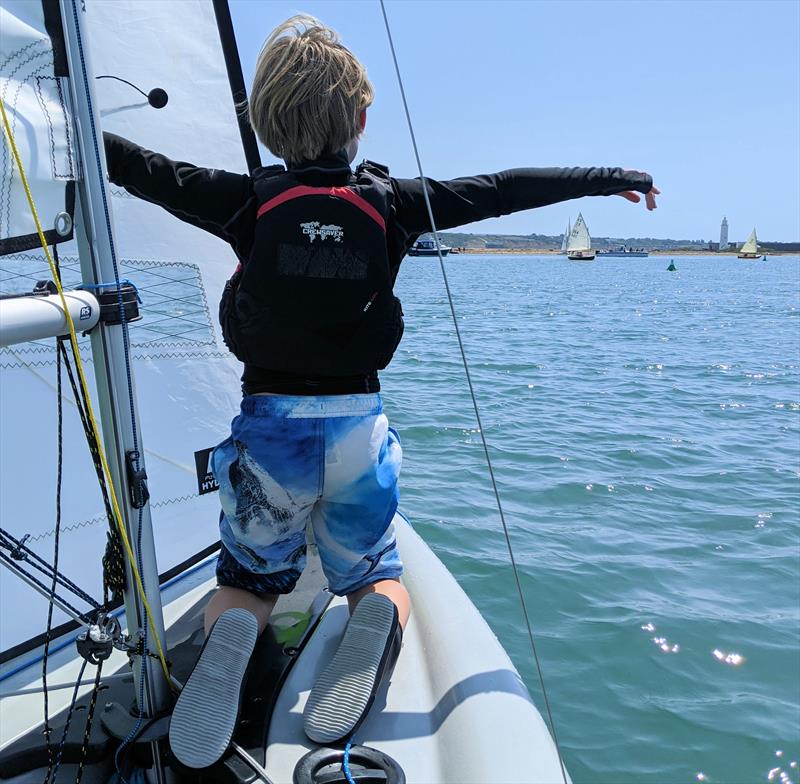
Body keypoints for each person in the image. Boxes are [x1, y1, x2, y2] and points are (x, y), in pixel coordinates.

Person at [103, 14, 659, 770]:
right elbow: (504, 188)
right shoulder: (394, 203)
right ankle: (371, 617)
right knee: (377, 576)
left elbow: (142, 168)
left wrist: (60, 129)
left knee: (246, 579)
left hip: (271, 436)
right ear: (361, 119)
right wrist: (612, 177)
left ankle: (237, 626)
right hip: (356, 433)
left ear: (264, 122)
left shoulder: (245, 200)